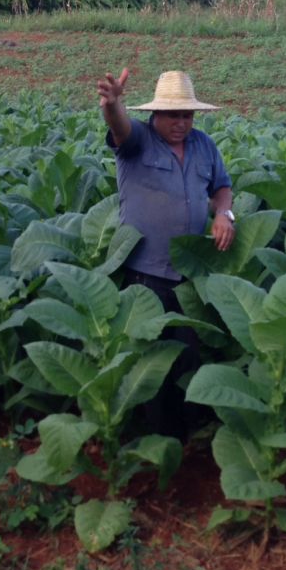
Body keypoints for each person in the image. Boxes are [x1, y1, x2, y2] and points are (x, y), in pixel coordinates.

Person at [97, 67, 235, 435]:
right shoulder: (137, 140)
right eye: (173, 114)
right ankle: (148, 443)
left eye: (187, 115)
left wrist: (224, 213)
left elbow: (222, 187)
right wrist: (113, 105)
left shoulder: (204, 145)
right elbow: (119, 127)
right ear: (155, 113)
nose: (181, 122)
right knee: (148, 363)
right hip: (146, 276)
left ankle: (185, 442)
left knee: (186, 362)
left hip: (189, 276)